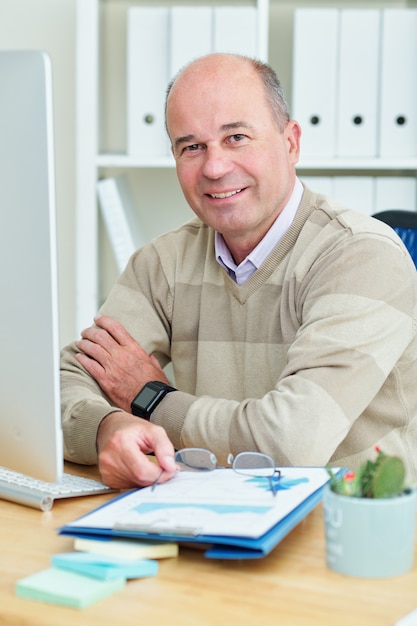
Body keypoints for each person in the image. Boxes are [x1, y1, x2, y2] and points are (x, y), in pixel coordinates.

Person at [61, 52, 417, 489]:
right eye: (191, 146)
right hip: (209, 516)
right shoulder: (161, 263)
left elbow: (290, 443)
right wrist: (107, 428)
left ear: (291, 143)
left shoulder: (363, 256)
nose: (214, 167)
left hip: (346, 532)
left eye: (236, 138)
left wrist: (152, 400)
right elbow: (65, 384)